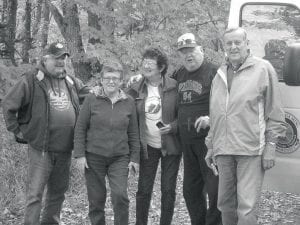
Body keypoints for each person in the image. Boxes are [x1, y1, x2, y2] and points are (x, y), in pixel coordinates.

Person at [205, 27, 286, 225]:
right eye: (229, 43)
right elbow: (215, 114)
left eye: (237, 42)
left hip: (250, 150)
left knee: (247, 209)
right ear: (224, 47)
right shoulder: (219, 74)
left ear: (246, 44)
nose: (233, 47)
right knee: (225, 204)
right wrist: (210, 145)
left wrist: (271, 146)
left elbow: (274, 112)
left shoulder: (263, 69)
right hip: (224, 150)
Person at [2, 42, 90, 225]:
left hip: (65, 149)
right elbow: (9, 105)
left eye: (63, 58)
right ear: (45, 58)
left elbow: (89, 95)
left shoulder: (71, 81)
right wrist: (17, 130)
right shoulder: (31, 79)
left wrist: (110, 90)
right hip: (41, 149)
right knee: (35, 195)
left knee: (57, 193)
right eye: (56, 58)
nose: (61, 62)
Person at [73, 61, 140, 225]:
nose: (111, 81)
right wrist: (80, 155)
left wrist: (135, 158)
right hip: (94, 157)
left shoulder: (128, 101)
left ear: (121, 81)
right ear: (101, 80)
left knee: (120, 196)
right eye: (108, 78)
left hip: (120, 157)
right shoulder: (91, 99)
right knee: (96, 200)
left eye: (115, 78)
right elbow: (80, 128)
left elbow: (133, 132)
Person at [127, 47, 181, 225]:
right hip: (147, 146)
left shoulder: (174, 86)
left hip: (170, 145)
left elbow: (185, 114)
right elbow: (116, 95)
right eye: (144, 62)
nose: (146, 65)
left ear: (161, 67)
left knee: (168, 190)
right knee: (143, 189)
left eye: (151, 63)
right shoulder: (135, 87)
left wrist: (172, 127)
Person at [171, 33, 221, 225]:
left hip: (210, 143)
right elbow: (158, 85)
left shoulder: (215, 73)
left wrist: (211, 117)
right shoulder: (179, 74)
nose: (188, 55)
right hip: (187, 144)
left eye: (191, 50)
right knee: (190, 191)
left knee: (214, 191)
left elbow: (230, 103)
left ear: (202, 50)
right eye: (183, 52)